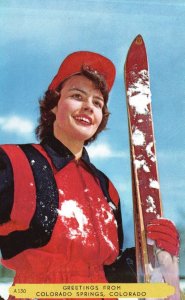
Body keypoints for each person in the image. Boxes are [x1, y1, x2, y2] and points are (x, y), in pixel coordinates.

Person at [0, 51, 180, 299]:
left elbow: (105, 276)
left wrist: (151, 252)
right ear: (53, 104)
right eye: (77, 96)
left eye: (98, 102)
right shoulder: (13, 162)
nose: (89, 106)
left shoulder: (106, 188)